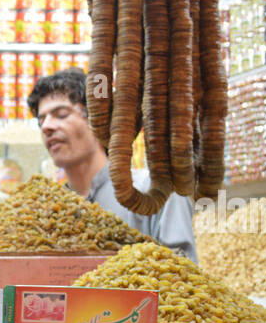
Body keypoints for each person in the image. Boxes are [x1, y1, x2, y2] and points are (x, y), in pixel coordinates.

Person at [27, 68, 197, 261]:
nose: (47, 126)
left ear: (98, 120)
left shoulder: (156, 191)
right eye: (41, 120)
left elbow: (182, 277)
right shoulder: (49, 211)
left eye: (62, 114)